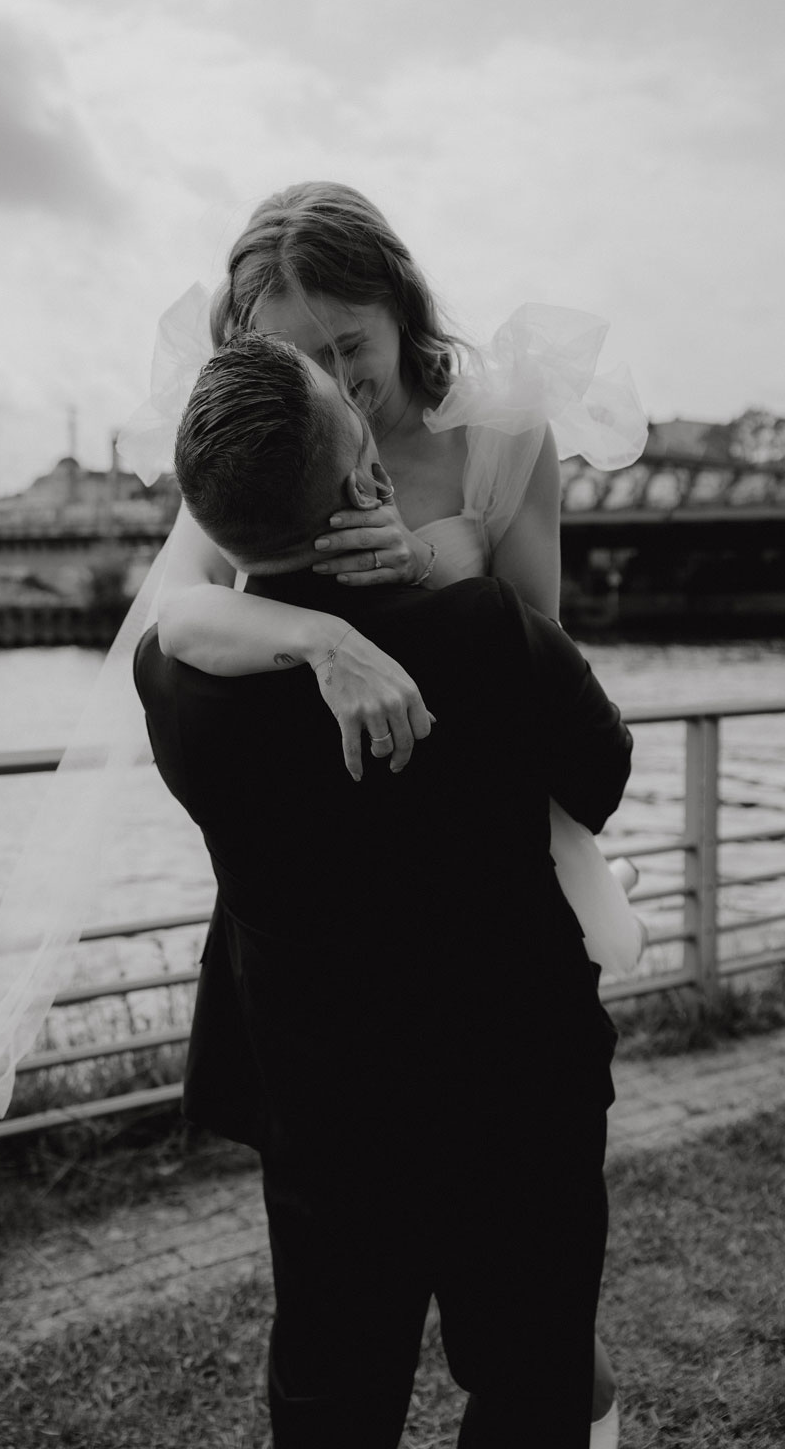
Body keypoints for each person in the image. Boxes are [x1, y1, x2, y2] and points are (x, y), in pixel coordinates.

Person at [134, 329, 633, 1447]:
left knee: (331, 1395)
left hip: (323, 1107)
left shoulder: (172, 687)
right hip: (516, 1086)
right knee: (530, 1380)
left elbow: (177, 623)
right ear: (364, 476)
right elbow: (598, 781)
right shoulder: (482, 631)